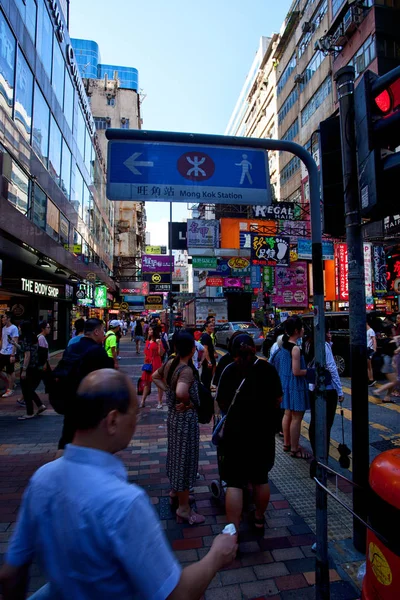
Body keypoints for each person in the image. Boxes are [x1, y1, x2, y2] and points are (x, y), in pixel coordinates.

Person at [0, 369, 238, 600]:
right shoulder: (125, 502)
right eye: (134, 414)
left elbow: (12, 572)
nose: (136, 422)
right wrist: (216, 556)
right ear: (113, 420)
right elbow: (176, 594)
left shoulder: (42, 479)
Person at [216, 334, 282, 530]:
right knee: (260, 478)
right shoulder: (267, 369)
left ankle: (232, 530)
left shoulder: (229, 370)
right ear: (255, 348)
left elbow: (221, 402)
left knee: (235, 482)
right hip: (262, 432)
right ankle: (259, 519)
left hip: (235, 433)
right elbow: (278, 399)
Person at [153, 333, 204, 524]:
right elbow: (182, 392)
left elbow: (154, 376)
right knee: (185, 459)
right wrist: (188, 402)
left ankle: (175, 491)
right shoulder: (186, 370)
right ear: (191, 349)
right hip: (185, 420)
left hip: (174, 419)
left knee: (175, 456)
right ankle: (184, 509)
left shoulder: (170, 364)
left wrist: (168, 392)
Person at [56, 319, 114, 454]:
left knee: (67, 439)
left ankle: (60, 468)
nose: (104, 334)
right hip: (91, 404)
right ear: (96, 332)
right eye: (102, 331)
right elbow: (107, 378)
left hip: (70, 400)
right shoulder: (97, 352)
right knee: (92, 440)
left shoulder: (72, 348)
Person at [270, 316, 311, 459]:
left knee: (287, 414)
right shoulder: (295, 349)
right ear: (296, 330)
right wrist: (310, 372)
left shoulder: (283, 345)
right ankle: (294, 448)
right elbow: (297, 371)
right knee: (297, 418)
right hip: (295, 385)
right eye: (302, 327)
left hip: (285, 384)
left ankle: (287, 444)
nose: (304, 330)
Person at [308, 329, 344, 456]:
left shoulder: (310, 343)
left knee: (315, 423)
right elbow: (332, 369)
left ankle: (318, 455)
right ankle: (322, 458)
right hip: (327, 391)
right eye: (328, 331)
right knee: (326, 426)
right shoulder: (323, 346)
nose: (330, 334)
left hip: (313, 389)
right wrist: (340, 391)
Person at [15, 321, 47, 421]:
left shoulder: (25, 338)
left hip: (28, 367)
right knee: (29, 389)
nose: (19, 329)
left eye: (19, 327)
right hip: (34, 366)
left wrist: (24, 369)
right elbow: (25, 350)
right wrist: (15, 344)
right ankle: (40, 405)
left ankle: (30, 412)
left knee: (26, 389)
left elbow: (27, 355)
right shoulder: (32, 337)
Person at [372, 325, 398, 403]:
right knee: (394, 381)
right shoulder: (388, 340)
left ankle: (387, 397)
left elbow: (395, 339)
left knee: (394, 381)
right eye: (393, 329)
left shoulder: (389, 339)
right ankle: (378, 391)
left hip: (389, 361)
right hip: (388, 362)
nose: (394, 330)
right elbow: (394, 348)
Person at [140, 326, 164, 409]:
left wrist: (159, 344)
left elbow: (161, 354)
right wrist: (144, 365)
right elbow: (145, 354)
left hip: (156, 363)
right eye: (149, 330)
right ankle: (143, 401)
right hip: (148, 364)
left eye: (151, 330)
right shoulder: (147, 341)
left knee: (158, 384)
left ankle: (160, 401)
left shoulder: (158, 341)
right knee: (147, 383)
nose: (149, 331)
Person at [0, 312, 19, 398]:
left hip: (9, 353)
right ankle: (11, 383)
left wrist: (12, 355)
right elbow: (3, 340)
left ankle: (10, 389)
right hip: (2, 352)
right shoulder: (3, 328)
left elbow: (15, 342)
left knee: (10, 371)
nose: (2, 319)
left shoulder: (14, 328)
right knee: (6, 372)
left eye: (4, 317)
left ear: (9, 318)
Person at [200, 320, 216, 391]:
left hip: (208, 360)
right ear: (206, 328)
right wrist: (209, 361)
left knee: (208, 379)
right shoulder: (206, 336)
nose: (212, 327)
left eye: (213, 326)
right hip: (207, 362)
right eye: (210, 326)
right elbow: (205, 350)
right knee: (206, 379)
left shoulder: (207, 336)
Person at [367, 320, 377, 386]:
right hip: (366, 349)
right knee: (368, 365)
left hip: (369, 349)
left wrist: (374, 349)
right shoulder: (367, 331)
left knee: (369, 365)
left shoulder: (370, 330)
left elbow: (374, 340)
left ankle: (371, 379)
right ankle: (370, 379)